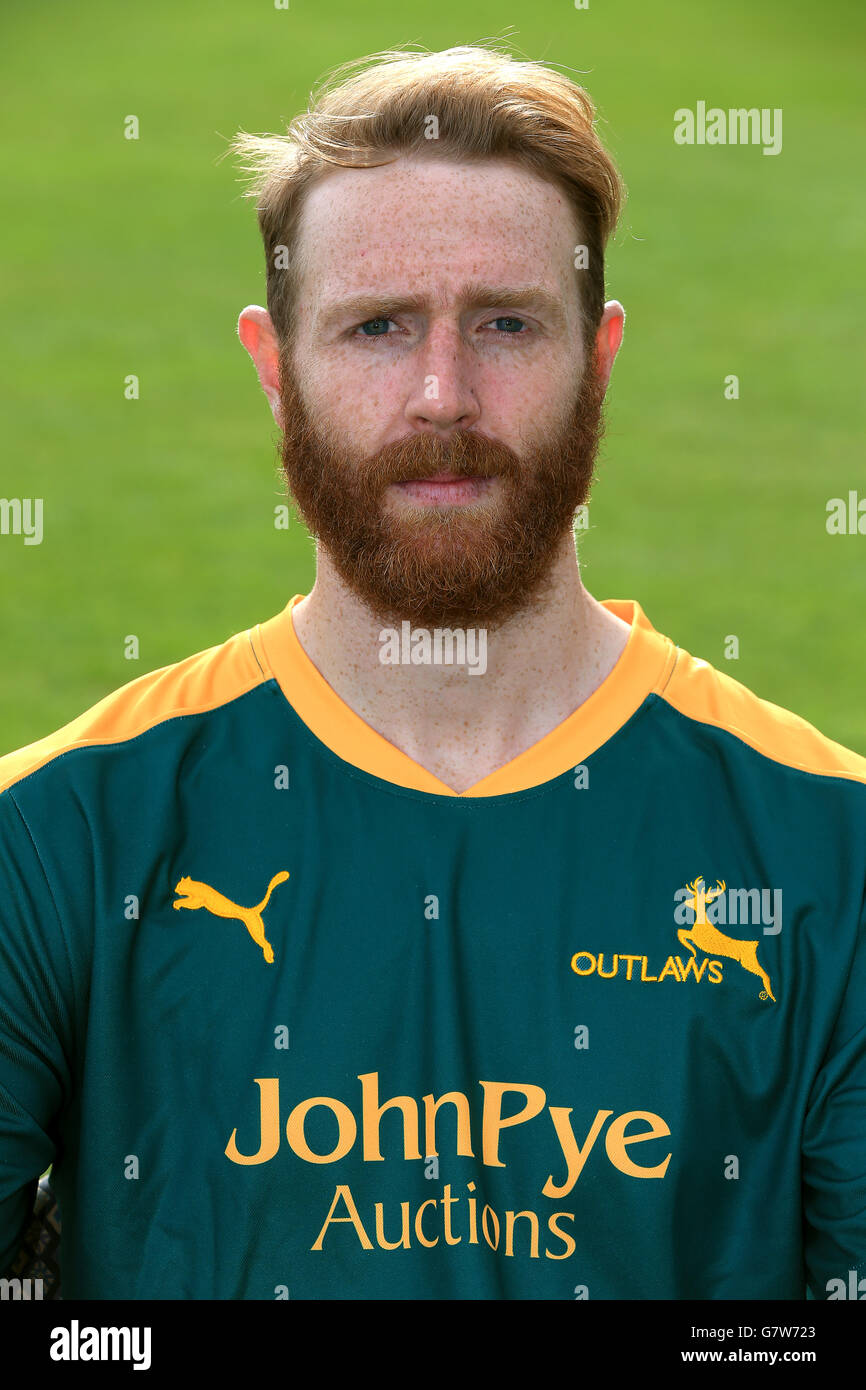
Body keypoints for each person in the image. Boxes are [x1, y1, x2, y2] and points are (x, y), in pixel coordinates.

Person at [1, 44, 864, 1301]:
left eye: (506, 323)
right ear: (272, 365)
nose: (442, 394)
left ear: (600, 357)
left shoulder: (825, 850)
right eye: (377, 326)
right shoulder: (57, 834)